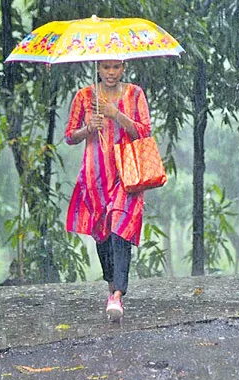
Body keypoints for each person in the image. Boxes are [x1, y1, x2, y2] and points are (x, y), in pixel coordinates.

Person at [64, 60, 151, 321]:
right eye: (105, 67)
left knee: (120, 226)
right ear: (98, 69)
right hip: (95, 177)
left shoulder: (135, 94)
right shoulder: (84, 96)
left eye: (115, 67)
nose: (110, 73)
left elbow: (144, 131)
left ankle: (118, 295)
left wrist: (117, 114)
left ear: (123, 67)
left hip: (127, 175)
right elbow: (69, 136)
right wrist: (88, 128)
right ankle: (112, 286)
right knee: (102, 233)